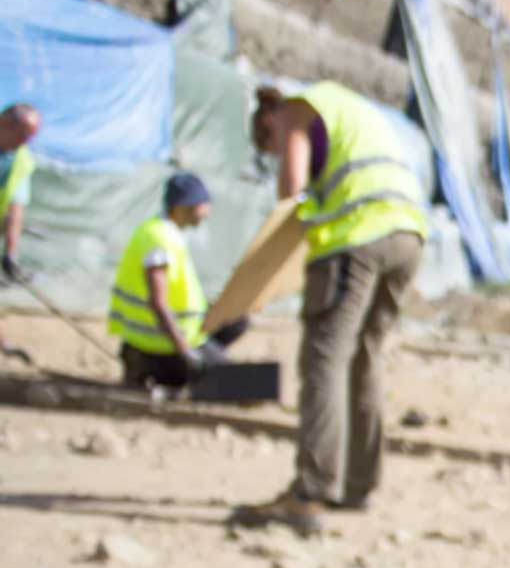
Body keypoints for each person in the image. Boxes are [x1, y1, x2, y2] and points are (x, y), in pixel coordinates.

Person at [234, 82, 429, 533]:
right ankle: (358, 484)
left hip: (356, 239)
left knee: (325, 359)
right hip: (408, 235)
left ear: (268, 121)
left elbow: (292, 194)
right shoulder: (351, 108)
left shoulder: (295, 110)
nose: (277, 149)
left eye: (270, 145)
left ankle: (311, 492)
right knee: (365, 357)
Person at [108, 172, 248, 388]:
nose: (208, 212)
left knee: (237, 320)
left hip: (166, 338)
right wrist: (186, 353)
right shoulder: (159, 240)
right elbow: (158, 302)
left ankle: (182, 367)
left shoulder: (163, 231)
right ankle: (165, 370)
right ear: (184, 206)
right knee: (242, 384)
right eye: (203, 204)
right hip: (158, 345)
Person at [0, 103, 42, 363]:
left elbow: (16, 210)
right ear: (5, 124)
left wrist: (10, 255)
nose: (26, 142)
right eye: (23, 134)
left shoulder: (21, 160)